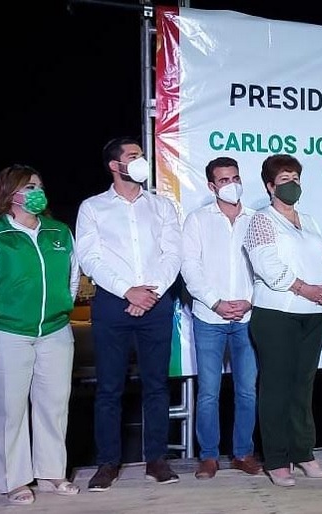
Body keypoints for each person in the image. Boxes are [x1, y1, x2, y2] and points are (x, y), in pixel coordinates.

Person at [76, 137, 182, 491]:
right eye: (134, 155)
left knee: (157, 385)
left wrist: (151, 293)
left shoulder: (161, 206)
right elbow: (90, 257)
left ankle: (157, 460)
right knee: (109, 387)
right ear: (114, 165)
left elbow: (173, 254)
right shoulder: (93, 208)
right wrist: (127, 290)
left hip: (156, 302)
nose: (141, 160)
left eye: (142, 155)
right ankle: (108, 463)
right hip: (113, 304)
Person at [0, 165, 81, 504]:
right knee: (9, 409)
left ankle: (52, 473)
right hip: (7, 332)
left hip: (55, 330)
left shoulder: (58, 231)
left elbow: (72, 276)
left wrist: (63, 306)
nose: (36, 192)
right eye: (28, 187)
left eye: (39, 185)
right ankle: (15, 480)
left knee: (54, 404)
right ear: (10, 194)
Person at [243, 154, 322, 487]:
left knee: (303, 385)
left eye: (296, 178)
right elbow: (267, 266)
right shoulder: (261, 220)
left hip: (315, 315)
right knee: (276, 387)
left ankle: (303, 452)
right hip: (277, 314)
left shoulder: (309, 220)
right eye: (285, 179)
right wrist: (306, 289)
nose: (292, 184)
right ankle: (277, 458)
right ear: (270, 186)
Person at [181, 157, 261, 480]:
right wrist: (216, 303)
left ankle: (243, 453)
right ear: (211, 186)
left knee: (247, 391)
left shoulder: (256, 220)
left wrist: (250, 300)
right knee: (209, 392)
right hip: (209, 318)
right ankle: (209, 456)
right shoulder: (197, 220)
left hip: (247, 318)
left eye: (235, 178)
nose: (231, 185)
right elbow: (190, 267)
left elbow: (264, 267)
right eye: (224, 180)